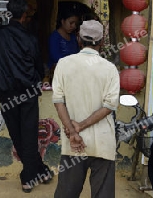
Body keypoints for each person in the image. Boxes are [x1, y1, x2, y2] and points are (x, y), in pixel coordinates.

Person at [0, 0, 52, 193]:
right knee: (28, 135)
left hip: (5, 92)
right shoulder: (30, 38)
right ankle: (29, 177)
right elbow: (38, 64)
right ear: (24, 15)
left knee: (17, 135)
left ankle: (40, 171)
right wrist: (39, 78)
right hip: (27, 92)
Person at [51, 20, 120, 198]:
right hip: (102, 142)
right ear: (102, 42)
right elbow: (109, 106)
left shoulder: (64, 64)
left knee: (67, 192)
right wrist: (80, 126)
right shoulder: (110, 68)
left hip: (73, 141)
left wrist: (74, 131)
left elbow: (58, 101)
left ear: (78, 39)